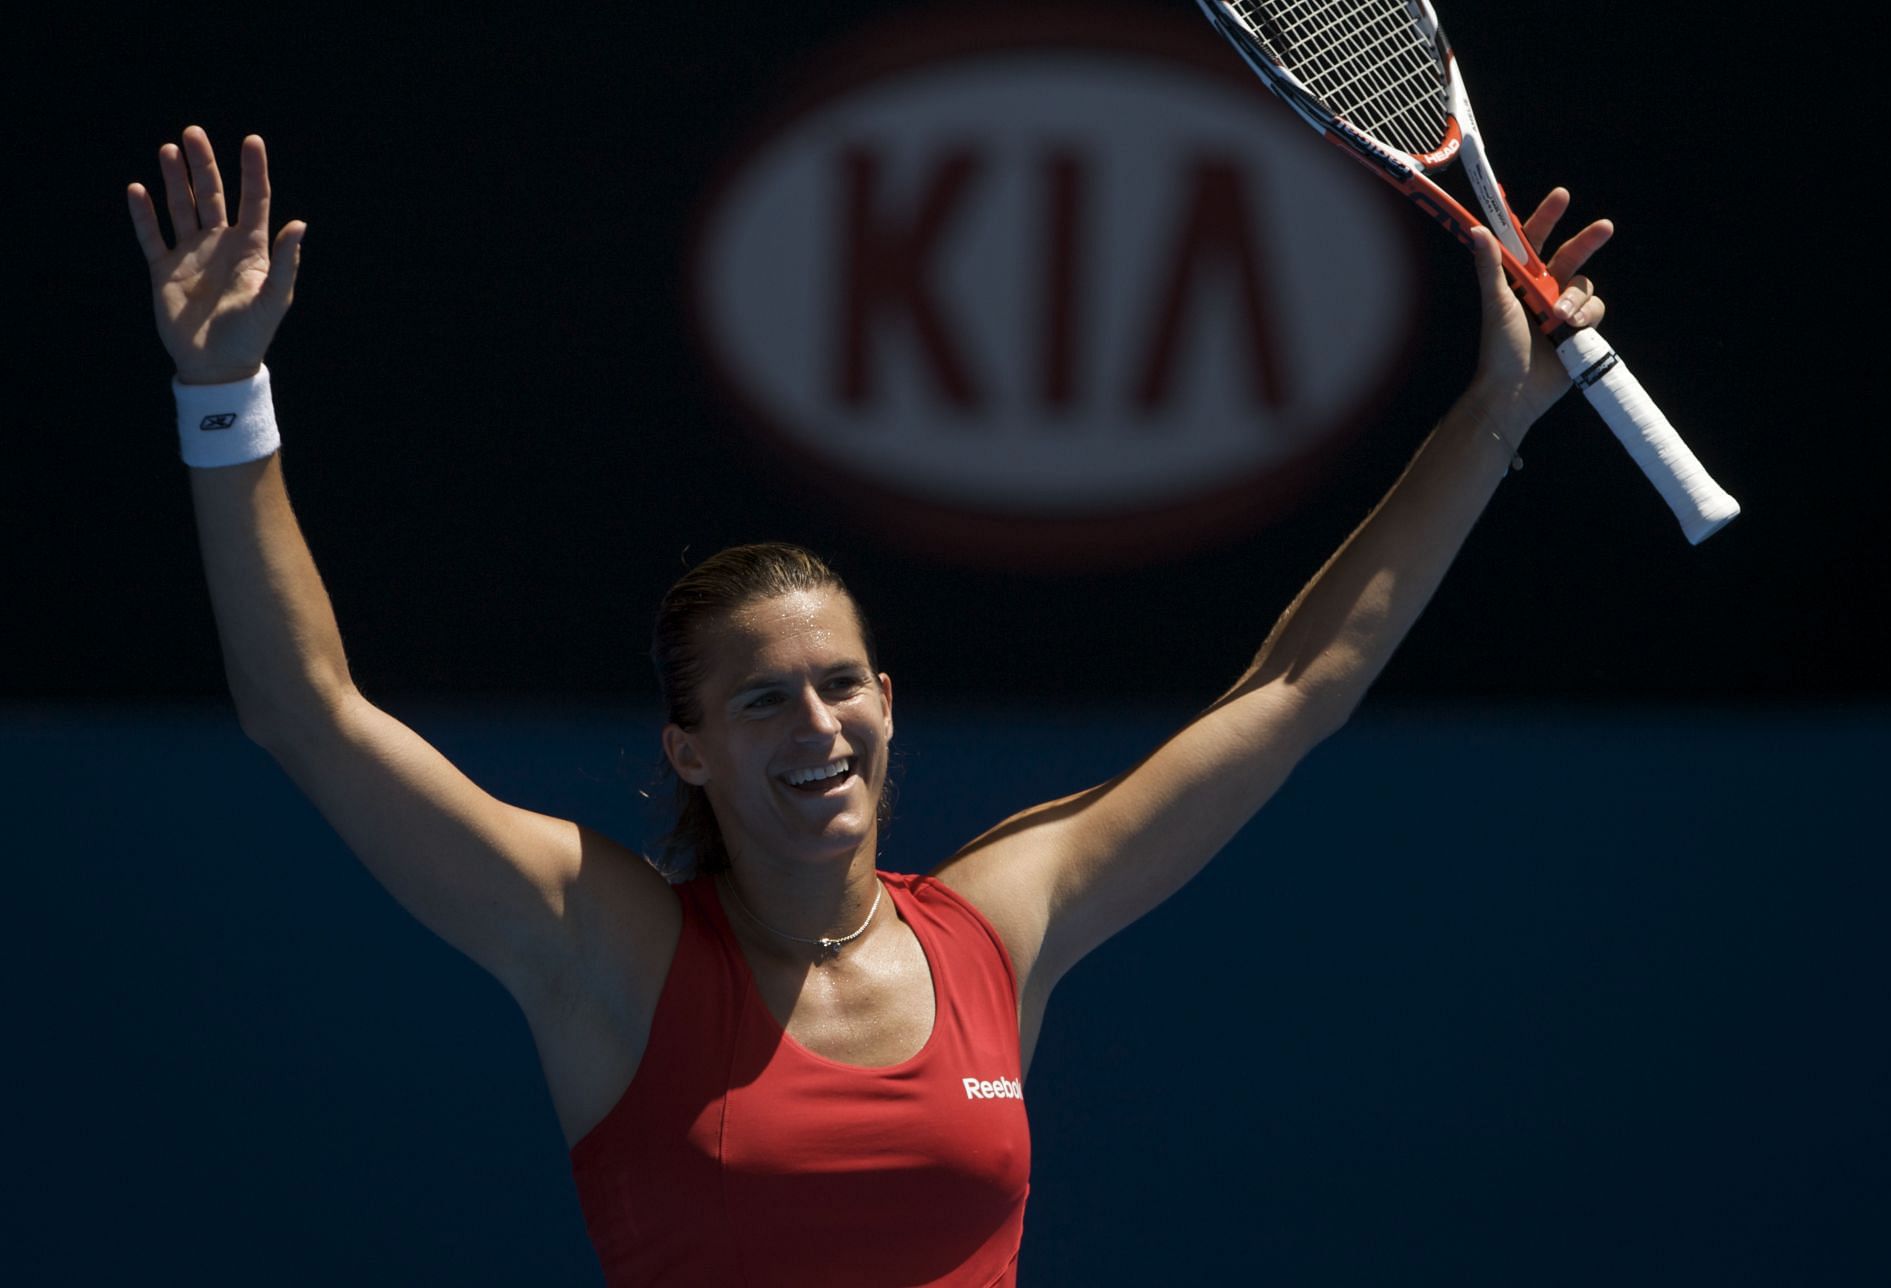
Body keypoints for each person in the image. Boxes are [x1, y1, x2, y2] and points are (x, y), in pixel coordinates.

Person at [131, 126, 1614, 1286]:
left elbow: (1299, 685)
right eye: (764, 701)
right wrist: (224, 399)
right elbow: (308, 715)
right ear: (689, 751)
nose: (818, 728)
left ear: (889, 705)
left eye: (843, 685)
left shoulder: (999, 924)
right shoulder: (604, 946)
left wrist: (1493, 418)